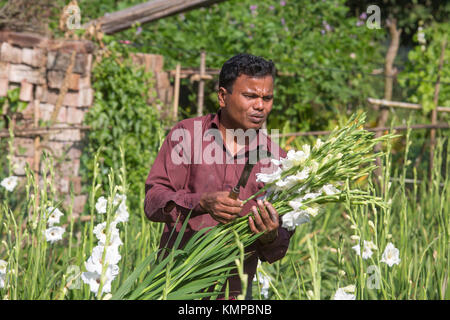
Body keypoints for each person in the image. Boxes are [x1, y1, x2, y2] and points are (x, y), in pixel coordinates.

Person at [144, 53, 294, 299]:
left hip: (233, 294)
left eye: (267, 98)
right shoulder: (186, 136)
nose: (260, 106)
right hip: (176, 285)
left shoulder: (277, 159)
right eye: (250, 96)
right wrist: (201, 203)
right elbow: (153, 201)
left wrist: (270, 235)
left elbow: (279, 247)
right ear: (223, 97)